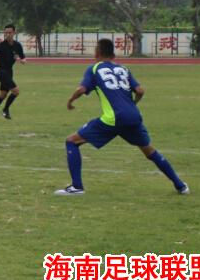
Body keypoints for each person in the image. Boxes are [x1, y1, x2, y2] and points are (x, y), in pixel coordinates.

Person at [57, 38, 188, 195]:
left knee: (71, 141)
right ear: (113, 53)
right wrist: (133, 104)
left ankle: (76, 187)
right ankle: (180, 185)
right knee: (149, 151)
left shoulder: (94, 69)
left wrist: (70, 100)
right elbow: (140, 91)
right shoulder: (124, 69)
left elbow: (81, 89)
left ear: (97, 53)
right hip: (133, 116)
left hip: (113, 119)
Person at [0, 24, 26, 122]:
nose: (7, 34)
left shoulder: (17, 45)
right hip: (2, 72)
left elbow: (23, 58)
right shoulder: (1, 46)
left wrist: (22, 60)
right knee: (16, 91)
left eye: (9, 32)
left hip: (9, 72)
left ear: (14, 33)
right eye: (5, 32)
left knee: (2, 95)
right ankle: (5, 110)